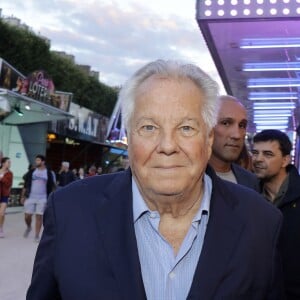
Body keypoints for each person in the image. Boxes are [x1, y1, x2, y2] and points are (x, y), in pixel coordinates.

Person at [27, 60, 284, 299]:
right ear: (130, 138)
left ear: (207, 141)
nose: (168, 145)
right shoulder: (70, 211)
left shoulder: (261, 222)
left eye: (186, 128)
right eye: (149, 127)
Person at [252, 129, 300, 299]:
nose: (258, 159)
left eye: (268, 154)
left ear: (285, 160)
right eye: (255, 153)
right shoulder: (248, 198)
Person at [209, 95, 259, 191]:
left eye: (242, 125)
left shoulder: (250, 181)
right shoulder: (189, 178)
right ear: (207, 127)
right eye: (226, 123)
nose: (237, 135)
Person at [21, 154, 55, 242]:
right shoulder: (32, 172)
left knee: (39, 216)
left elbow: (51, 186)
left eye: (38, 160)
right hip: (31, 197)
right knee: (27, 215)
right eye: (36, 160)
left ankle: (36, 235)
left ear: (43, 162)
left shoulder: (48, 173)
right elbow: (25, 184)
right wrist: (23, 196)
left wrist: (50, 197)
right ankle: (29, 227)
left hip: (42, 198)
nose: (36, 162)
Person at [0, 157, 13, 238]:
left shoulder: (9, 173)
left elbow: (8, 184)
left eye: (10, 162)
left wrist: (1, 178)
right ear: (3, 163)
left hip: (4, 195)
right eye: (8, 162)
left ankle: (0, 229)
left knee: (1, 213)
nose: (9, 164)